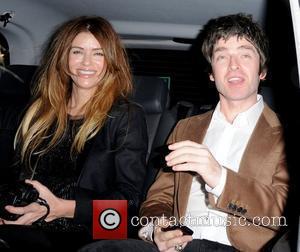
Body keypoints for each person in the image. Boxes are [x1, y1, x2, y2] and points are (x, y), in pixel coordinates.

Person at [78, 13, 289, 252]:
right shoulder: (186, 128)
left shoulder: (287, 136)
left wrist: (220, 178)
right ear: (211, 73)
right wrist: (157, 229)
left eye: (245, 54)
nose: (233, 65)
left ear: (262, 71)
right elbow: (159, 198)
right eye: (221, 56)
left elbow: (284, 210)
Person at [0, 16, 148, 250]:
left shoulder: (125, 116)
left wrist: (62, 208)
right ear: (64, 57)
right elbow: (16, 173)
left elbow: (129, 201)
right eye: (77, 52)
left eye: (98, 53)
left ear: (110, 60)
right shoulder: (39, 110)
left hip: (87, 230)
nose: (86, 63)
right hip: (27, 219)